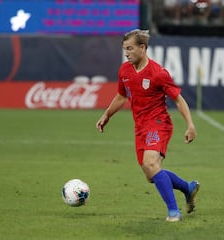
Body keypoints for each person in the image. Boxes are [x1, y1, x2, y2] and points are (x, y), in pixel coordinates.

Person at [95, 29, 199, 222]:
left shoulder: (158, 73)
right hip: (140, 127)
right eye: (124, 49)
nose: (126, 53)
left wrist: (190, 125)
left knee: (151, 163)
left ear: (142, 48)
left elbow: (178, 100)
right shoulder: (125, 71)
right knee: (151, 175)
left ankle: (174, 212)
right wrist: (107, 114)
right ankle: (188, 187)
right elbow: (121, 96)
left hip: (158, 123)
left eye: (130, 48)